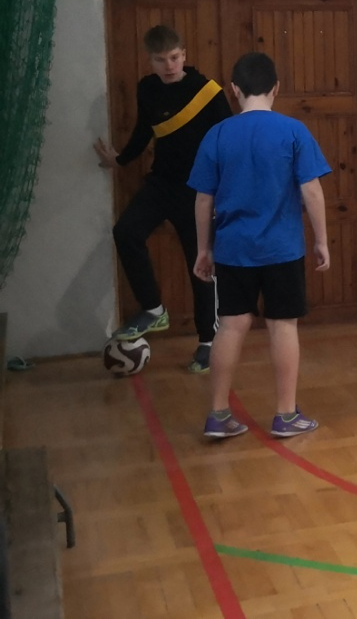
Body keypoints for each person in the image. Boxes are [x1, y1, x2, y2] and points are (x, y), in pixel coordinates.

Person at [190, 52, 332, 439]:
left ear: (234, 89)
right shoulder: (293, 131)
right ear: (276, 88)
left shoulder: (218, 134)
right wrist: (321, 240)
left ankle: (218, 414)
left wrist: (204, 249)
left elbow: (203, 200)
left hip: (233, 249)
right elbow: (312, 190)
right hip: (282, 249)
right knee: (282, 325)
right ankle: (285, 415)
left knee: (231, 326)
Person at [95, 25, 232, 372]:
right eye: (160, 60)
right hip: (162, 184)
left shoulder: (208, 91)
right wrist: (120, 160)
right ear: (150, 61)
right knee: (125, 231)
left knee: (201, 266)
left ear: (184, 55)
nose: (169, 65)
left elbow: (229, 140)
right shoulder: (147, 88)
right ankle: (153, 309)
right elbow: (144, 131)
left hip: (199, 191)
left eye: (174, 57)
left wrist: (226, 190)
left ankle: (208, 342)